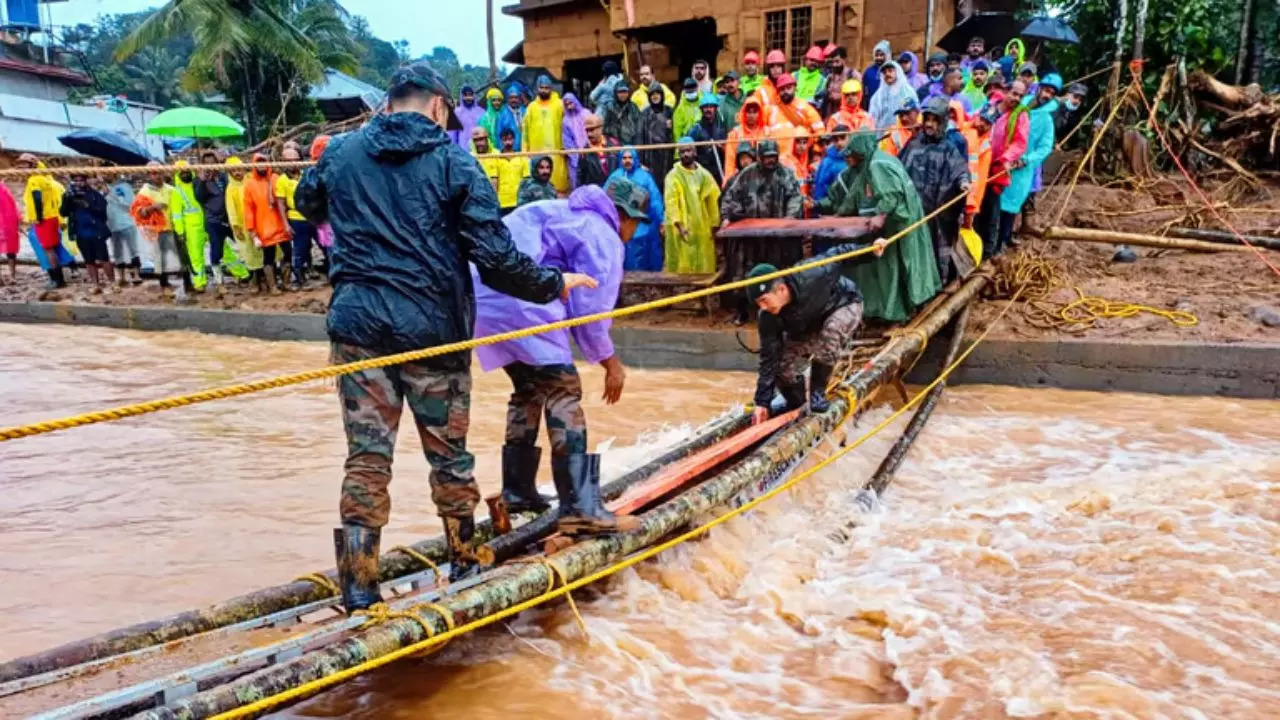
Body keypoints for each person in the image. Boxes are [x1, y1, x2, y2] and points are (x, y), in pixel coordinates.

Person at [294, 62, 597, 608]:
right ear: (437, 106)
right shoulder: (455, 162)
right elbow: (498, 259)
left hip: (358, 327)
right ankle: (464, 565)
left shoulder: (340, 154)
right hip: (431, 330)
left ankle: (360, 588)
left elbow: (305, 202)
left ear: (388, 103)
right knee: (449, 455)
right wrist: (554, 282)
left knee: (366, 457)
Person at [474, 179, 647, 534]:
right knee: (562, 390)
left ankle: (518, 490)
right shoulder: (603, 234)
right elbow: (591, 312)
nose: (633, 231)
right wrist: (611, 364)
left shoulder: (563, 212)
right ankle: (580, 506)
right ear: (624, 217)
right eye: (635, 223)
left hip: (484, 297)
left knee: (528, 388)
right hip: (522, 298)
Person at [743, 239, 881, 421]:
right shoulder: (768, 316)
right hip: (808, 322)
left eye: (764, 300)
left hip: (843, 304)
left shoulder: (811, 274)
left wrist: (871, 251)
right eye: (758, 303)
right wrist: (762, 402)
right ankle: (796, 402)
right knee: (782, 366)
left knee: (830, 336)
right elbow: (769, 358)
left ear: (781, 289)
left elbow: (839, 253)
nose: (763, 307)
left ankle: (817, 394)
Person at [817, 132, 942, 323]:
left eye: (852, 155)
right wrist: (836, 216)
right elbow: (853, 196)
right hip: (896, 222)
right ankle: (891, 309)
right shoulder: (869, 165)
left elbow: (891, 195)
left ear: (860, 152)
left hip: (898, 225)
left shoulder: (878, 165)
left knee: (894, 268)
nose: (848, 159)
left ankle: (895, 313)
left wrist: (880, 216)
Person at [899, 97, 971, 284]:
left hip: (937, 214)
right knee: (913, 249)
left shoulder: (948, 148)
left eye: (935, 120)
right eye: (928, 119)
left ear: (943, 122)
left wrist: (964, 183)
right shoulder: (913, 144)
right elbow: (898, 167)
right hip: (914, 211)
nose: (930, 124)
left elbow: (960, 170)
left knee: (937, 249)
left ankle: (938, 284)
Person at [998, 74, 1058, 252]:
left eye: (1052, 93)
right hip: (1002, 161)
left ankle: (1003, 240)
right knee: (994, 203)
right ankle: (993, 241)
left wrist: (1026, 160)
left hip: (1022, 168)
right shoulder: (1020, 106)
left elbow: (1045, 147)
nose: (1047, 95)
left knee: (1010, 205)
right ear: (1039, 88)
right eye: (1047, 90)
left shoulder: (1047, 120)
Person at [195, 149, 249, 295]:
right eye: (207, 163)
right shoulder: (200, 180)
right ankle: (219, 282)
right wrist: (202, 180)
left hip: (229, 218)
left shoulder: (224, 176)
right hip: (213, 221)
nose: (210, 166)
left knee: (244, 244)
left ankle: (249, 274)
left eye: (213, 162)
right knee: (216, 251)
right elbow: (199, 197)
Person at [663, 137, 721, 273]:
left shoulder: (705, 175)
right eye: (682, 152)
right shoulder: (673, 176)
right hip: (681, 229)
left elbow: (713, 200)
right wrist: (679, 225)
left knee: (703, 264)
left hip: (702, 228)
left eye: (688, 150)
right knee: (682, 264)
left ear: (695, 152)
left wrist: (714, 224)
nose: (685, 154)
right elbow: (671, 202)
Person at [132, 163, 186, 299]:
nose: (157, 176)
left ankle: (176, 282)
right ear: (149, 175)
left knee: (171, 257)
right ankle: (164, 285)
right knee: (159, 258)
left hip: (171, 227)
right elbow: (139, 212)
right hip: (154, 230)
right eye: (154, 173)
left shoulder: (171, 189)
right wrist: (153, 207)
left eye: (159, 173)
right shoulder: (145, 192)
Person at [988, 81, 1029, 256]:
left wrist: (1006, 158)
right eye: (1014, 93)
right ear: (1005, 91)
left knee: (995, 210)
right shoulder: (991, 107)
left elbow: (1020, 142)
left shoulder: (1021, 115)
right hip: (982, 163)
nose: (1016, 98)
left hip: (999, 167)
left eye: (1020, 96)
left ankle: (994, 249)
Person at [720, 138, 803, 224]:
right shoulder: (748, 173)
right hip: (751, 228)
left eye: (773, 156)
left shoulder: (786, 174)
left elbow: (795, 198)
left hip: (779, 226)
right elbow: (731, 196)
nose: (771, 160)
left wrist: (791, 216)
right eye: (767, 157)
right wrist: (727, 217)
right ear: (760, 157)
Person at [242, 151, 290, 293]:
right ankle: (272, 285)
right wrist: (252, 231)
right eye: (259, 162)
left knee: (288, 252)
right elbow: (248, 209)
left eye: (264, 162)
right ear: (254, 165)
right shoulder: (249, 184)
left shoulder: (276, 178)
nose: (262, 165)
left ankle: (286, 282)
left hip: (280, 223)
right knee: (268, 257)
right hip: (264, 226)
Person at [609, 148, 665, 271]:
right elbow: (605, 199)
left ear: (635, 159)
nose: (627, 161)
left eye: (630, 158)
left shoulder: (645, 177)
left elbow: (655, 199)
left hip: (644, 223)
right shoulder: (615, 177)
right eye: (624, 158)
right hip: (623, 225)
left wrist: (661, 219)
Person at [18, 154, 68, 288]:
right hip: (52, 217)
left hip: (44, 219)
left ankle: (57, 280)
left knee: (48, 249)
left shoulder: (34, 180)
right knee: (52, 248)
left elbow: (37, 198)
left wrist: (39, 217)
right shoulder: (45, 178)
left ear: (32, 165)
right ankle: (59, 279)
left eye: (25, 164)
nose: (22, 167)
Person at [60, 174, 114, 292]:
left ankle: (112, 283)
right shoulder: (70, 194)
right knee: (88, 260)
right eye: (76, 181)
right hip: (80, 232)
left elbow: (103, 211)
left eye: (81, 180)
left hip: (96, 231)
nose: (79, 183)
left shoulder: (94, 194)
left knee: (104, 258)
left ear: (86, 181)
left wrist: (88, 205)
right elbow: (63, 212)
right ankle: (95, 284)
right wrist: (67, 199)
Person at [273, 146, 316, 289]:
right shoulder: (282, 180)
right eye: (288, 160)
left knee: (323, 244)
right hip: (296, 217)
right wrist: (286, 224)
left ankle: (314, 270)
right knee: (300, 248)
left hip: (313, 215)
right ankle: (298, 277)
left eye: (295, 160)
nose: (293, 163)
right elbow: (280, 204)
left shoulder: (306, 173)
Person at [169, 160, 213, 292]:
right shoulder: (177, 192)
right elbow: (177, 214)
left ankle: (242, 274)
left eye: (187, 171)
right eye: (182, 172)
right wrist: (180, 232)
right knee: (196, 257)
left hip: (208, 222)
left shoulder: (199, 184)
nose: (185, 174)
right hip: (191, 228)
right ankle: (200, 283)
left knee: (224, 250)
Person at [224, 156, 265, 292]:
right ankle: (254, 280)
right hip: (243, 225)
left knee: (262, 251)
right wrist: (235, 227)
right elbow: (231, 210)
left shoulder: (250, 180)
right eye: (233, 171)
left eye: (239, 169)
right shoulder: (231, 188)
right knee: (248, 253)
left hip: (258, 222)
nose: (237, 173)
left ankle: (264, 278)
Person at [523, 75, 569, 194]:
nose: (544, 90)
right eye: (541, 87)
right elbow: (525, 131)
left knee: (559, 186)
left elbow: (568, 126)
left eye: (547, 88)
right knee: (538, 186)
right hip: (536, 151)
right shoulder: (531, 107)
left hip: (557, 151)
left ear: (551, 88)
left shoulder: (560, 104)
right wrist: (525, 151)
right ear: (537, 88)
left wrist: (567, 146)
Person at [966, 105, 997, 255]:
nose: (982, 124)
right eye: (982, 119)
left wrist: (973, 208)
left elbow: (980, 182)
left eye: (987, 122)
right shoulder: (963, 132)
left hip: (968, 196)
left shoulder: (986, 148)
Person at [105, 173, 142, 287]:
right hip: (112, 224)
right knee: (117, 251)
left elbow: (130, 204)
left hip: (126, 223)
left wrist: (111, 194)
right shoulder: (102, 187)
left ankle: (135, 274)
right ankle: (121, 276)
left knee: (133, 249)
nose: (103, 175)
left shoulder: (124, 186)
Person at [724, 96, 771, 180]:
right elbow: (730, 163)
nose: (751, 115)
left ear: (760, 113)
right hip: (743, 177)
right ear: (743, 113)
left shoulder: (768, 132)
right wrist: (728, 183)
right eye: (748, 112)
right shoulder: (734, 134)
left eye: (754, 112)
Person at [687, 93, 728, 185]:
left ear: (715, 108)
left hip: (720, 169)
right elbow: (688, 149)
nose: (708, 110)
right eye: (705, 107)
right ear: (702, 109)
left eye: (711, 107)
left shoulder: (722, 128)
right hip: (702, 170)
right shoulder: (696, 129)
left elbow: (729, 150)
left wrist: (721, 147)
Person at [638, 82, 675, 182]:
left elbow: (674, 134)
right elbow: (640, 136)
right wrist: (641, 160)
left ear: (662, 95)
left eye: (657, 93)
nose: (655, 96)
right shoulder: (644, 113)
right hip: (650, 155)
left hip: (666, 155)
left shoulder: (669, 111)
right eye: (652, 94)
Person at [575, 113, 620, 189]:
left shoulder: (614, 144)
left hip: (614, 190)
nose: (589, 134)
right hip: (595, 193)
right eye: (587, 130)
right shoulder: (584, 153)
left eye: (592, 130)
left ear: (600, 128)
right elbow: (580, 178)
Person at [869, 60, 916, 130]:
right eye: (884, 72)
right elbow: (872, 118)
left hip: (904, 134)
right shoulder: (877, 96)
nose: (887, 74)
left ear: (897, 72)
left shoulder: (908, 91)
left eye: (890, 71)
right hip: (883, 136)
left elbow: (914, 113)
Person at [493, 128, 529, 213]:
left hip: (519, 201)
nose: (508, 142)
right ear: (501, 141)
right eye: (505, 140)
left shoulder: (522, 157)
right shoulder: (496, 159)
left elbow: (526, 180)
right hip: (502, 202)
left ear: (514, 139)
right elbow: (495, 181)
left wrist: (525, 198)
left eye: (510, 139)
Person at [812, 125, 849, 202]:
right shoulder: (827, 162)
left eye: (843, 138)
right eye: (836, 140)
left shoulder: (856, 158)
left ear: (850, 137)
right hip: (833, 206)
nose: (839, 143)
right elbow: (820, 186)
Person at [561, 92, 589, 189]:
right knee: (576, 183)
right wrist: (575, 157)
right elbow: (567, 141)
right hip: (575, 157)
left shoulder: (586, 114)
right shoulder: (566, 120)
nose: (569, 106)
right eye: (566, 104)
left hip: (589, 153)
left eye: (571, 103)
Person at [602, 81, 641, 146]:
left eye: (625, 92)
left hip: (631, 144)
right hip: (614, 145)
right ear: (616, 93)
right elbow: (605, 129)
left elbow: (639, 126)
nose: (623, 94)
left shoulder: (633, 107)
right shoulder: (610, 107)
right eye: (620, 92)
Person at [861, 40, 890, 110]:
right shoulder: (868, 71)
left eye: (881, 55)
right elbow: (864, 91)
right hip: (871, 107)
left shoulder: (892, 70)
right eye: (877, 55)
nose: (879, 58)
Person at [672, 78, 702, 142]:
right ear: (684, 90)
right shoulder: (679, 109)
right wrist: (679, 148)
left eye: (693, 87)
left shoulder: (704, 103)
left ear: (697, 88)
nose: (691, 90)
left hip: (703, 141)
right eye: (688, 88)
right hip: (688, 142)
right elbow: (677, 132)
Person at [0, 181, 18, 284]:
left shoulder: (4, 190)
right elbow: (13, 206)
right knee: (11, 250)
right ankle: (12, 275)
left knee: (10, 250)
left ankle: (5, 277)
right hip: (9, 223)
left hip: (5, 222)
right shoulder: (6, 190)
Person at [499, 85, 525, 150]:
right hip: (509, 151)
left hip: (525, 150)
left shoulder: (525, 112)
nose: (513, 100)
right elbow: (498, 135)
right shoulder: (502, 115)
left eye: (516, 97)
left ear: (519, 98)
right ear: (507, 99)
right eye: (511, 97)